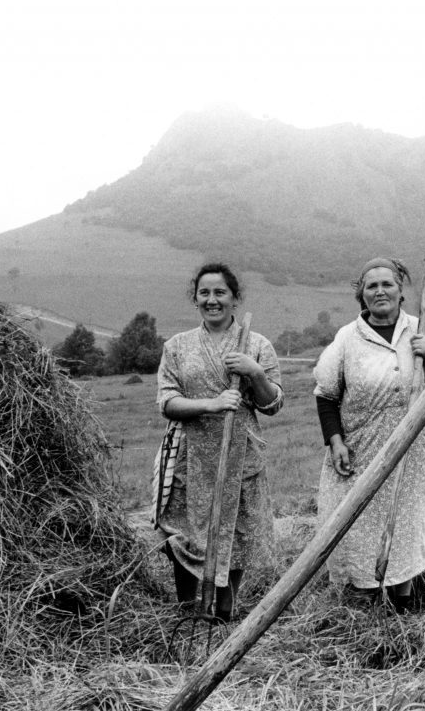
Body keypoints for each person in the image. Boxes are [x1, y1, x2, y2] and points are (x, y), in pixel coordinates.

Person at [313, 257, 425, 609]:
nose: (379, 291)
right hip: (360, 452)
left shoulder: (422, 330)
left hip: (410, 452)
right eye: (371, 286)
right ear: (361, 294)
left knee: (404, 533)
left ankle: (402, 612)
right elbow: (326, 394)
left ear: (400, 290)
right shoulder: (348, 338)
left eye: (387, 284)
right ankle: (361, 613)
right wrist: (335, 441)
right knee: (357, 533)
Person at [155, 262, 284, 622]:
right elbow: (166, 402)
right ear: (195, 299)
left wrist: (254, 372)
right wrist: (211, 404)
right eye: (204, 293)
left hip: (241, 454)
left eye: (220, 293)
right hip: (189, 455)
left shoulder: (257, 345)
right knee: (181, 534)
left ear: (234, 298)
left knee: (237, 532)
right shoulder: (177, 346)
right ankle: (186, 608)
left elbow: (273, 404)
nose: (212, 300)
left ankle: (225, 611)